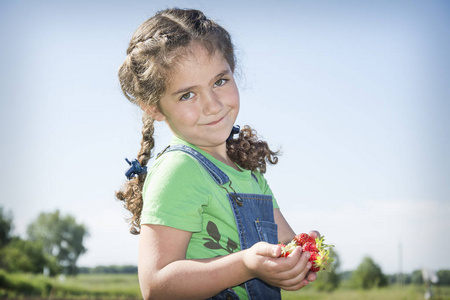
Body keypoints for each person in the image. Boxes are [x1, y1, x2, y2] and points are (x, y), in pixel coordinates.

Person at [116, 8, 318, 300]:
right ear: (154, 108)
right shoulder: (179, 169)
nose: (212, 105)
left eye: (220, 81)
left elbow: (284, 242)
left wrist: (301, 255)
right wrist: (247, 265)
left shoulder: (248, 174)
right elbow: (156, 286)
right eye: (187, 95)